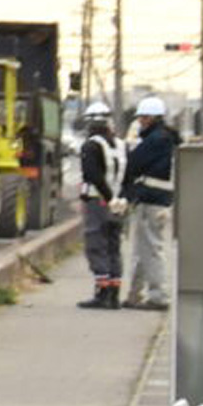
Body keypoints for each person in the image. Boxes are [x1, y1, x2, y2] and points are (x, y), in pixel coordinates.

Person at [119, 94, 178, 311]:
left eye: (143, 118)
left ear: (153, 118)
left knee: (151, 249)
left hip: (151, 200)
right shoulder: (168, 137)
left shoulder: (156, 139)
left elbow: (134, 162)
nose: (140, 122)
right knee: (143, 249)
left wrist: (125, 192)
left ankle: (158, 296)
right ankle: (135, 294)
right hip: (157, 200)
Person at [74, 98, 124, 309]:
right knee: (114, 245)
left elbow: (92, 174)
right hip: (119, 203)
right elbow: (129, 175)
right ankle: (114, 293)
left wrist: (107, 197)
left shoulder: (91, 145)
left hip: (99, 201)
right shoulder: (121, 145)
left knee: (97, 243)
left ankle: (102, 292)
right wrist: (119, 198)